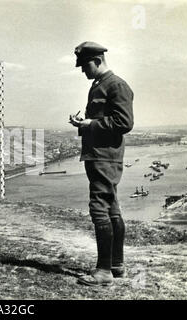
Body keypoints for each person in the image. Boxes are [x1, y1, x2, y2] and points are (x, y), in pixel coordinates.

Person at [69, 41, 134, 286]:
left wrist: (90, 124)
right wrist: (83, 123)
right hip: (98, 155)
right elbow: (104, 119)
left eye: (85, 65)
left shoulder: (116, 85)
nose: (83, 71)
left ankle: (104, 271)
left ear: (97, 61)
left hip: (105, 157)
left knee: (99, 209)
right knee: (111, 208)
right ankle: (116, 265)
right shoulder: (99, 85)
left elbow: (124, 123)